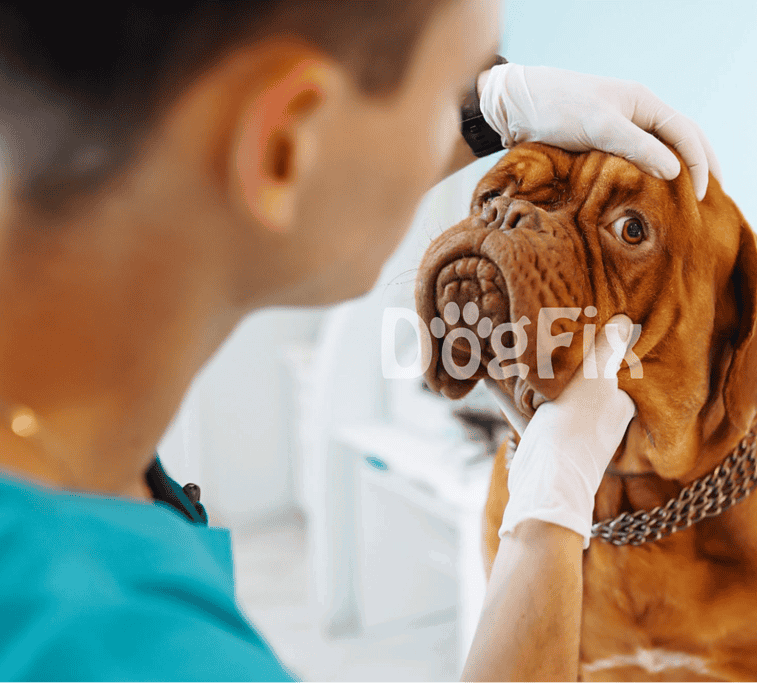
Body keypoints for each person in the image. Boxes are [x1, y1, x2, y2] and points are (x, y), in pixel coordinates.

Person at [0, 1, 720, 681]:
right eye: (452, 84)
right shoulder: (113, 646)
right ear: (285, 144)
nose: (473, 122)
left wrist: (487, 109)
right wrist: (549, 514)